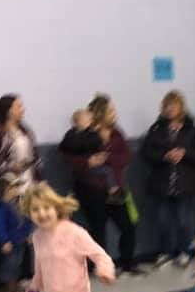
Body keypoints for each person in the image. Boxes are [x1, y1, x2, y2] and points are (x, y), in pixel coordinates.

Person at [61, 94, 143, 276]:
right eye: (110, 110)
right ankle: (101, 266)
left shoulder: (116, 134)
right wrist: (89, 162)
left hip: (115, 187)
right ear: (100, 113)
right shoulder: (82, 134)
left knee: (128, 225)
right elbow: (68, 157)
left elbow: (126, 156)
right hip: (92, 187)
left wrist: (106, 160)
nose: (114, 113)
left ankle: (128, 263)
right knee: (98, 228)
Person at [141, 90, 195, 269]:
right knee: (163, 220)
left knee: (184, 220)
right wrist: (165, 155)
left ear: (181, 107)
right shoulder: (156, 129)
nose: (170, 109)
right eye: (167, 106)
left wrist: (185, 154)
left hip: (185, 183)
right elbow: (146, 153)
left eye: (174, 105)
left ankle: (185, 252)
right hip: (162, 183)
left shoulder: (192, 130)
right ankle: (165, 252)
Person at [0, 94, 42, 195]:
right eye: (18, 107)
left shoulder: (26, 131)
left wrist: (40, 180)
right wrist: (9, 167)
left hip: (29, 182)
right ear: (9, 111)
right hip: (7, 186)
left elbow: (35, 157)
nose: (23, 109)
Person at [0, 176, 33, 292]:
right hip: (10, 242)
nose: (17, 189)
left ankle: (15, 283)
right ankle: (9, 287)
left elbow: (27, 220)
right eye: (14, 187)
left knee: (17, 263)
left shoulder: (18, 204)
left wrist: (28, 234)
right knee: (9, 264)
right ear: (6, 189)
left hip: (19, 240)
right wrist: (4, 241)